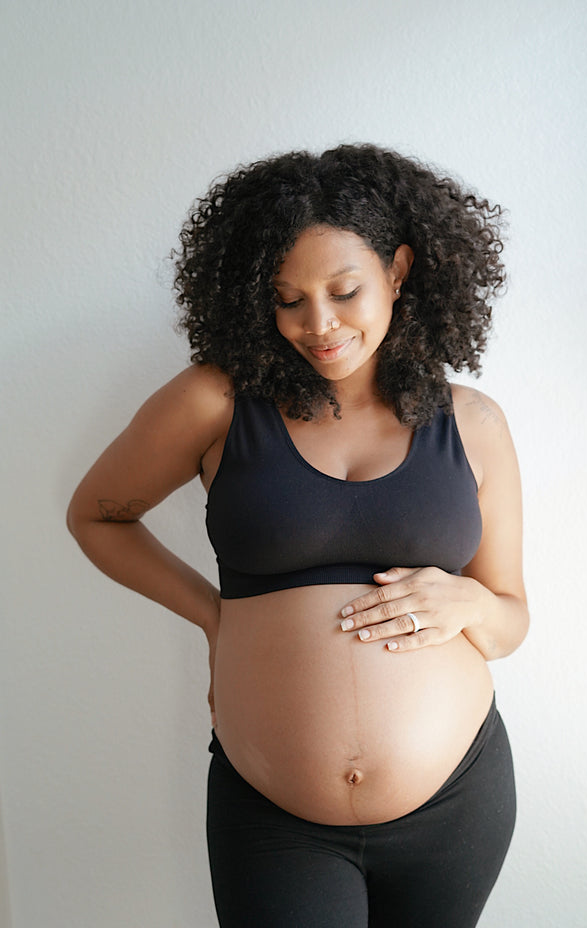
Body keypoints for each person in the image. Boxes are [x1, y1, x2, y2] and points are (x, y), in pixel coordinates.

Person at [67, 143, 528, 928]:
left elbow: (511, 615)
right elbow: (98, 515)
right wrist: (216, 616)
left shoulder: (472, 424)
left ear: (400, 269)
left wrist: (465, 604)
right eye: (287, 299)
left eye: (345, 291)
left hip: (457, 800)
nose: (318, 325)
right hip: (275, 816)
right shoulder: (216, 401)